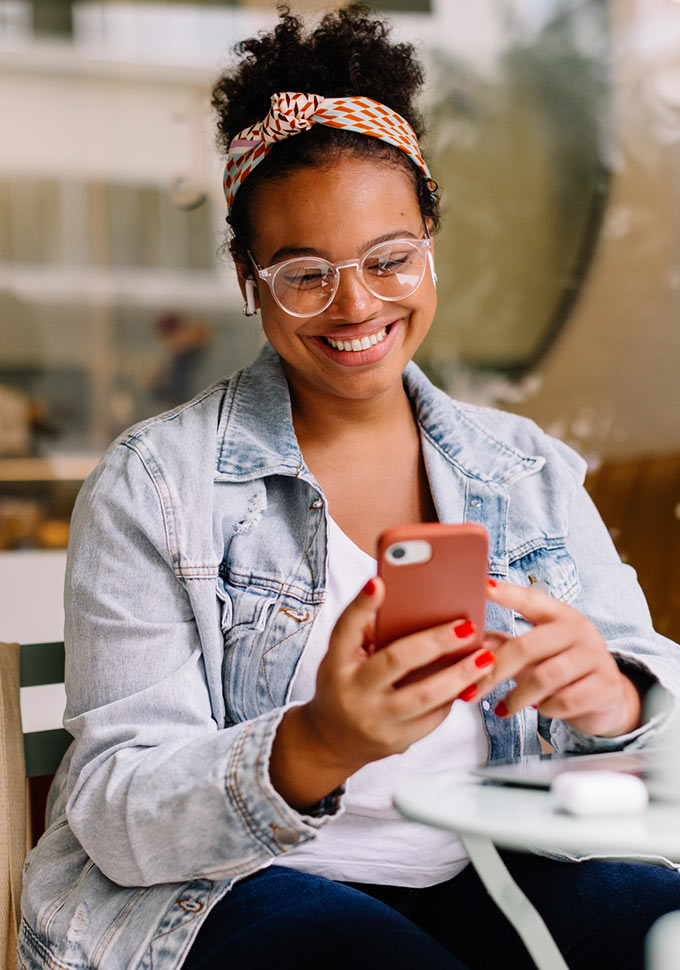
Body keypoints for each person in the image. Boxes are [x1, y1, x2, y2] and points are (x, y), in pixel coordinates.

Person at [18, 6, 680, 970]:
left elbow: (655, 714)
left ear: (430, 247)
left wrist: (615, 696)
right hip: (231, 892)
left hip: (495, 863)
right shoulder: (155, 484)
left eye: (389, 259)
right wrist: (318, 743)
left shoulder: (525, 466)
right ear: (249, 279)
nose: (358, 304)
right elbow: (119, 812)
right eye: (304, 273)